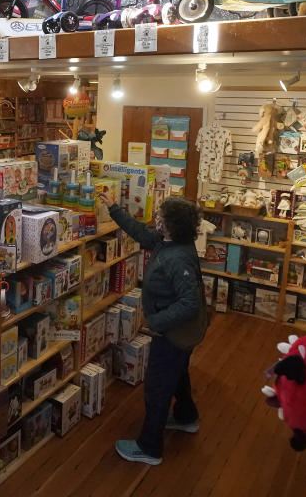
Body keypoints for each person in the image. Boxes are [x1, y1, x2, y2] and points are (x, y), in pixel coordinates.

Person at [101, 193, 209, 466]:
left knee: (158, 387)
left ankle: (149, 447)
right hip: (180, 333)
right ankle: (186, 416)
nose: (156, 217)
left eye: (161, 215)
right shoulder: (169, 243)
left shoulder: (176, 258)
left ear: (171, 225)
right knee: (178, 373)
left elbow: (190, 303)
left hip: (173, 332)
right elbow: (140, 233)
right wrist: (114, 207)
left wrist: (156, 322)